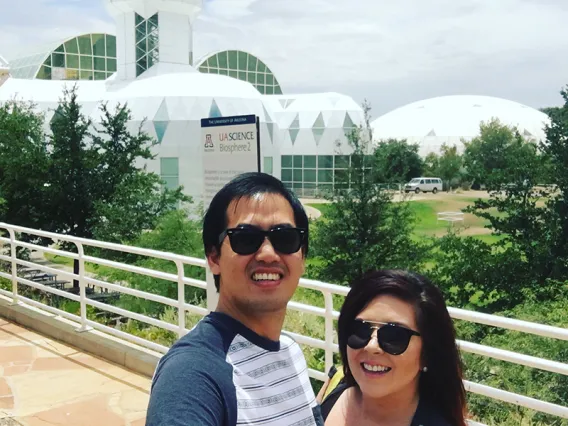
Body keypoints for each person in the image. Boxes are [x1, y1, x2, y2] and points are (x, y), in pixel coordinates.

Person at [146, 172, 323, 426]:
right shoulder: (193, 373)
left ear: (302, 256)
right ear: (214, 258)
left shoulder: (290, 351)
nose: (267, 254)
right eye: (246, 238)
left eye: (285, 238)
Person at [320, 270, 467, 426]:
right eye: (360, 330)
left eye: (394, 336)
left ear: (427, 353)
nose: (371, 346)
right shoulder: (336, 390)